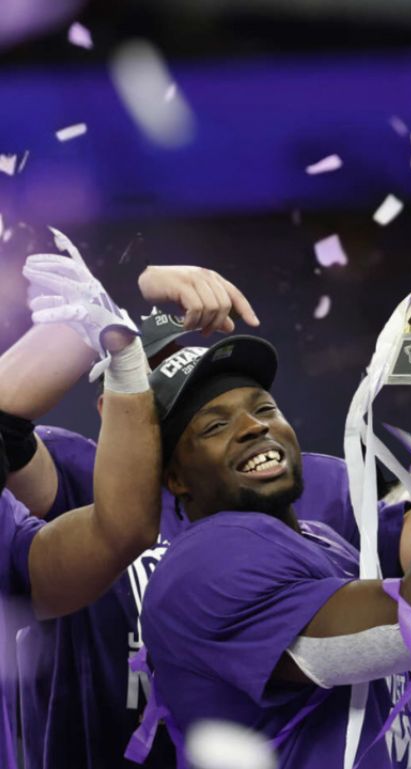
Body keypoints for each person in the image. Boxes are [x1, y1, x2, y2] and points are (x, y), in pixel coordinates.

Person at [139, 317, 411, 767]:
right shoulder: (205, 563)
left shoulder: (325, 542)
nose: (253, 426)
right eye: (214, 426)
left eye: (264, 409)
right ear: (176, 479)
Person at [0, 244, 271, 768]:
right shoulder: (84, 477)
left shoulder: (290, 493)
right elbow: (4, 429)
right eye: (153, 374)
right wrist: (126, 291)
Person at [0, 249, 168, 769]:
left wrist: (113, 326)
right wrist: (112, 307)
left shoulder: (311, 496)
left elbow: (124, 531)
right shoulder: (83, 473)